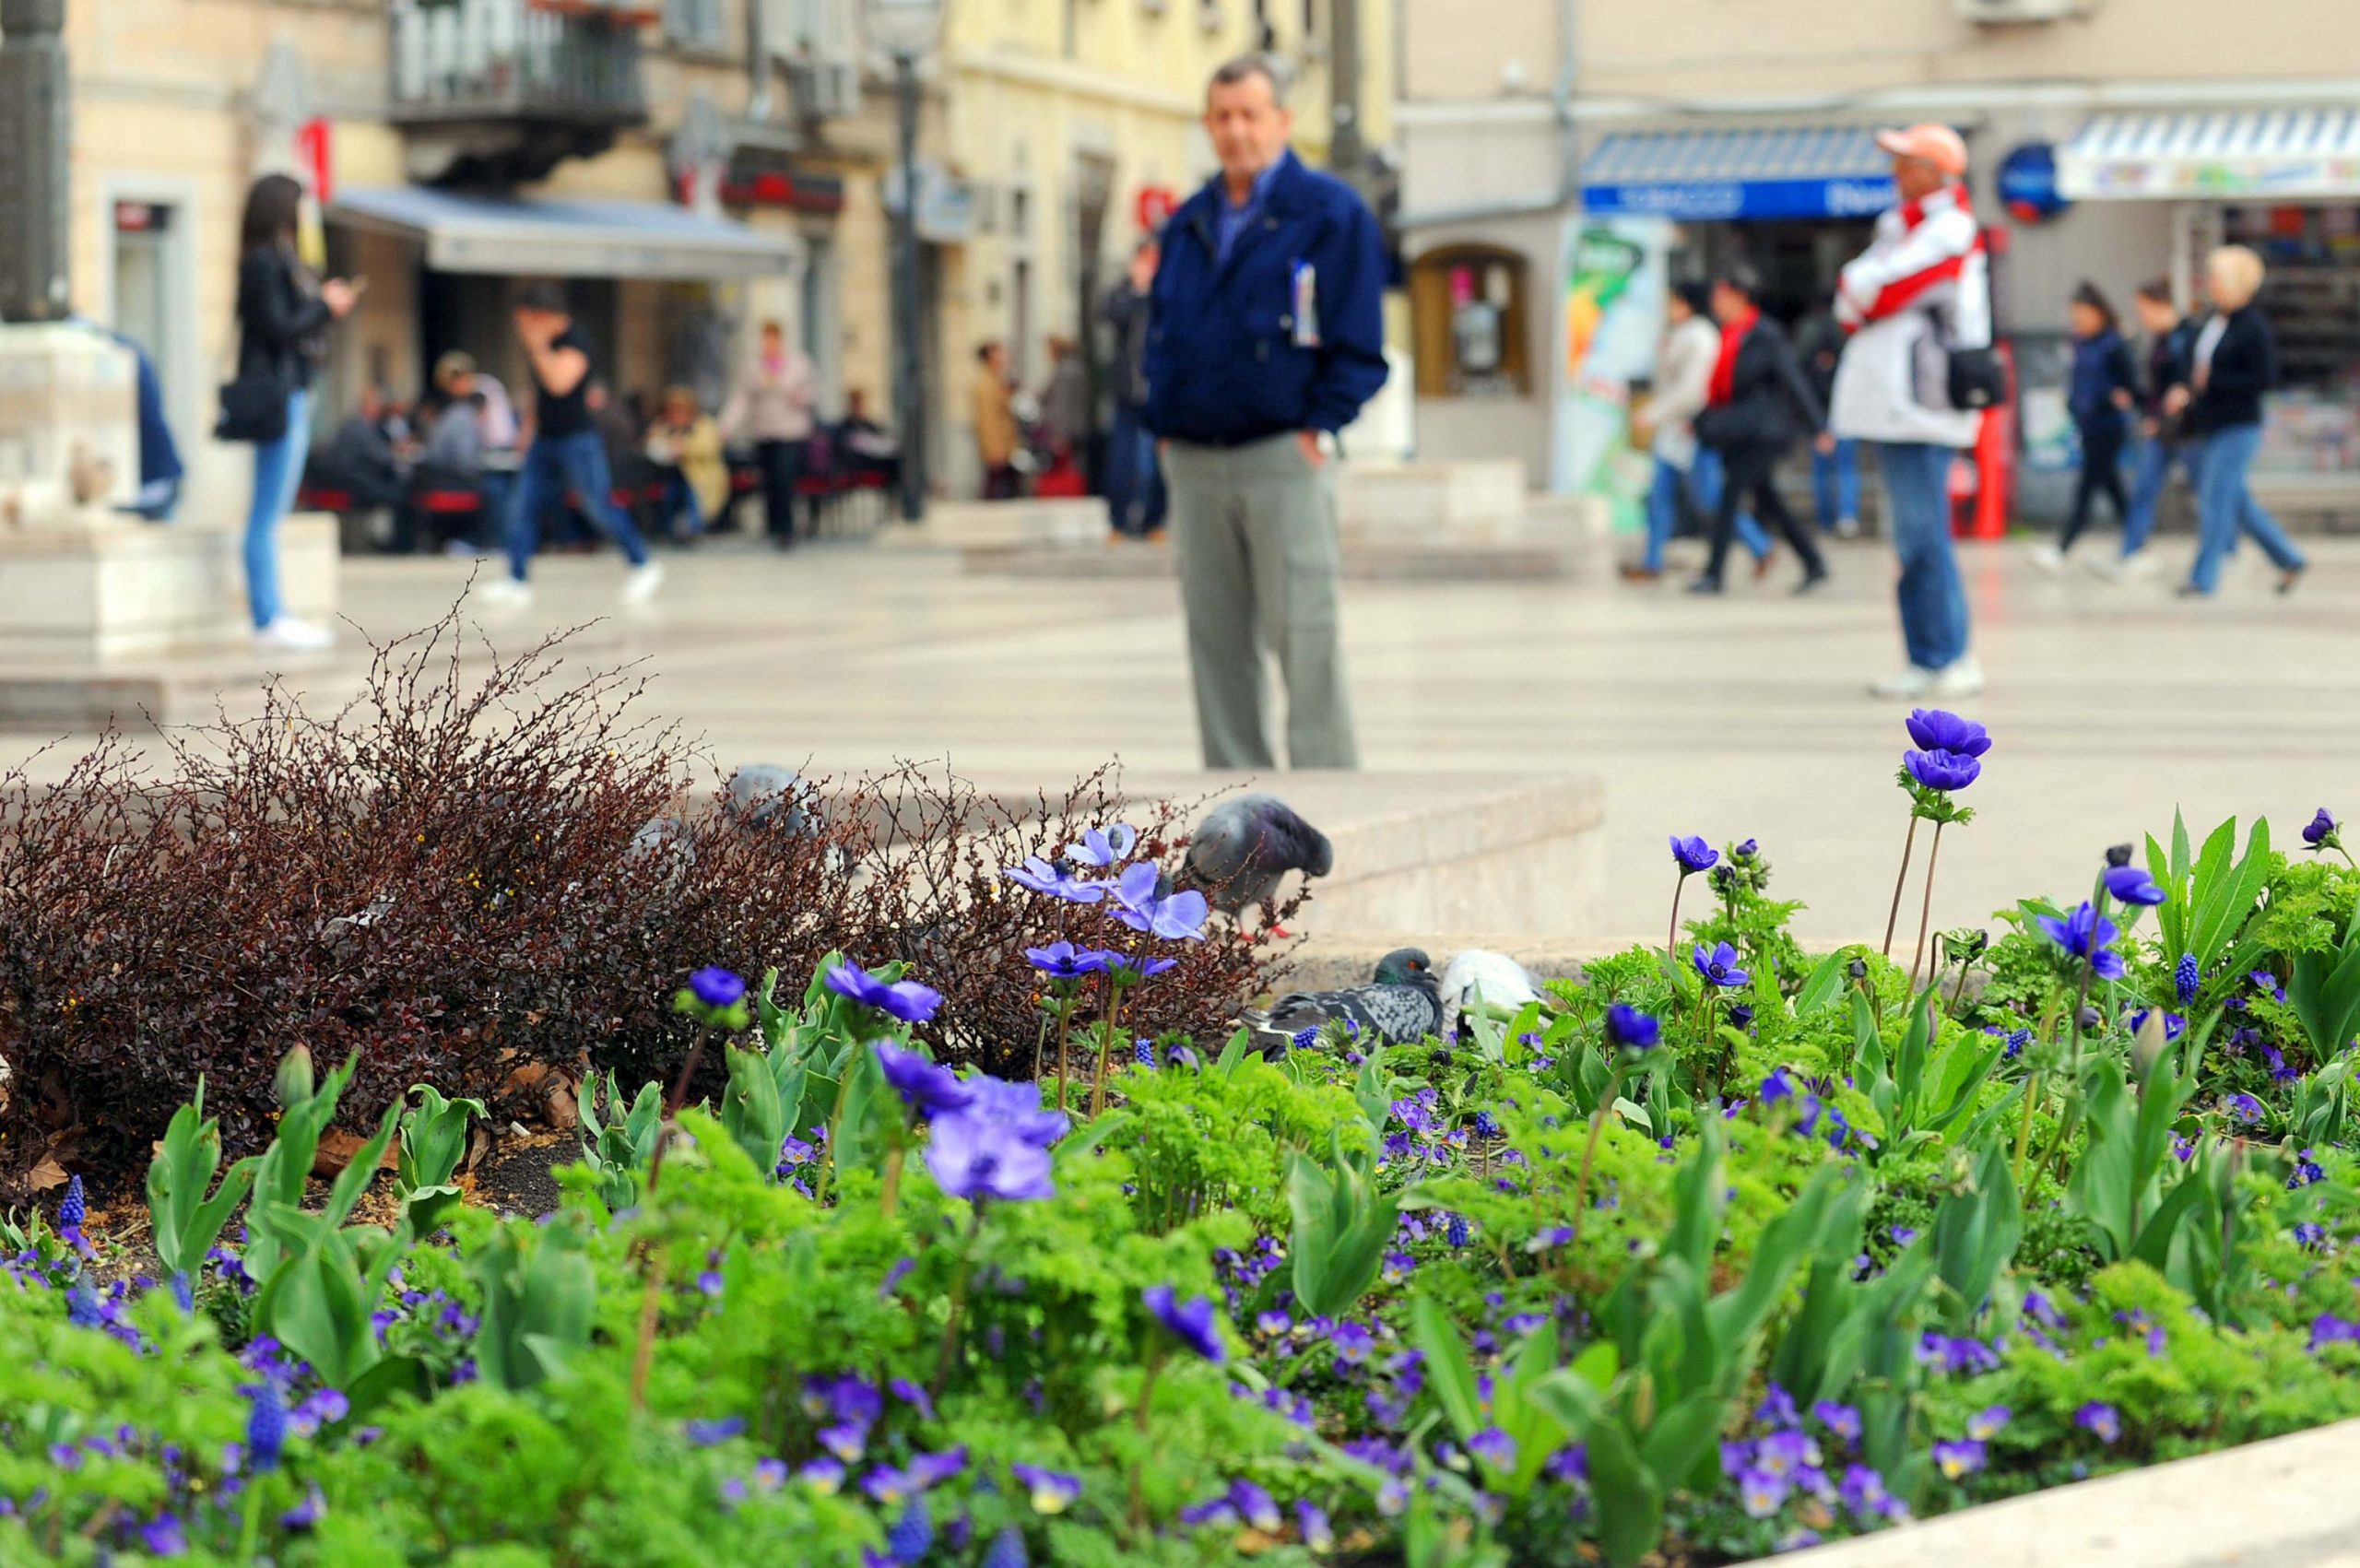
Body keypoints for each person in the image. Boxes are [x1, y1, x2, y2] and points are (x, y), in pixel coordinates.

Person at [1144, 53, 1389, 771]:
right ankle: (1236, 804)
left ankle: (1329, 792)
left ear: (1282, 121)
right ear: (1207, 124)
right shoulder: (1188, 221)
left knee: (1304, 630)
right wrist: (1162, 423)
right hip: (1193, 455)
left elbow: (1360, 341)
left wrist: (1320, 425)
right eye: (1222, 116)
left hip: (1284, 451)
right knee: (1214, 637)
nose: (1236, 130)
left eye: (1251, 114)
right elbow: (1161, 330)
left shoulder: (1331, 214)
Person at [1829, 124, 1992, 700]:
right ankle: (1925, 657)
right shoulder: (1900, 228)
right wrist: (1859, 286)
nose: (1896, 174)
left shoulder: (1950, 229)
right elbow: (1850, 300)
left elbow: (1877, 291)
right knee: (1911, 538)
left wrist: (1860, 285)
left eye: (1906, 163)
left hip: (1923, 402)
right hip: (1891, 405)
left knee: (1926, 535)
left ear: (1934, 171)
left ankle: (1951, 654)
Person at [478, 282, 662, 607]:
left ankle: (642, 563)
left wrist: (537, 348)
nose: (520, 329)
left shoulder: (577, 343)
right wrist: (527, 432)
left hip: (577, 440)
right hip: (545, 440)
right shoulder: (546, 345)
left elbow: (559, 384)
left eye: (524, 321)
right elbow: (541, 394)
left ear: (542, 316)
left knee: (598, 505)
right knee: (521, 507)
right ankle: (516, 579)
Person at [232, 171, 357, 650]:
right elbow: (279, 327)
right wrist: (325, 305)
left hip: (292, 390)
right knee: (267, 510)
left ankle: (273, 613)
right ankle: (268, 616)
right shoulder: (263, 263)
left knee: (273, 508)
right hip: (278, 395)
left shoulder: (278, 260)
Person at [2167, 244, 2307, 597]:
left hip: (2238, 424)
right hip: (2210, 423)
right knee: (2236, 500)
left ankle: (2203, 579)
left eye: (2215, 277)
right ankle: (2287, 556)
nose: (2210, 284)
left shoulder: (2253, 328)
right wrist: (2186, 387)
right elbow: (2192, 367)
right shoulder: (2214, 321)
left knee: (2214, 500)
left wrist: (2210, 381)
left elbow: (2264, 378)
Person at [1687, 267, 1831, 595]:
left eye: (1721, 296)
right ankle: (1813, 561)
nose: (1716, 303)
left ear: (1739, 296)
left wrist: (1817, 427)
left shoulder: (1765, 335)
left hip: (1762, 432)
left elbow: (1793, 381)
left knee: (1728, 498)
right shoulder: (1728, 335)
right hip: (1736, 431)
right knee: (1769, 501)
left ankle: (1714, 574)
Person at [1623, 279, 1771, 582]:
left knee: (1711, 497)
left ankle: (1759, 545)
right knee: (1659, 496)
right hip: (1672, 430)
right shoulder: (1680, 334)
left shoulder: (1701, 337)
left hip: (1694, 429)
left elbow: (1693, 389)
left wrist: (1653, 413)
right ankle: (1652, 561)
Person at [2094, 277, 2201, 581]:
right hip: (2162, 430)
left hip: (2189, 431)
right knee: (2143, 488)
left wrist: (2176, 400)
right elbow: (2154, 387)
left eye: (2144, 310)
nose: (2141, 317)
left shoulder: (2186, 336)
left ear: (2161, 306)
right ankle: (2131, 550)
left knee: (2212, 492)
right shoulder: (2161, 339)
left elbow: (2188, 381)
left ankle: (2230, 549)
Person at [2037, 281, 2138, 572]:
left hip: (2108, 426)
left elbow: (2128, 385)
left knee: (2087, 488)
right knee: (2112, 488)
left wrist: (2109, 399)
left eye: (2081, 313)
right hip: (2087, 424)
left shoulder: (2113, 343)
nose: (2077, 319)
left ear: (2098, 312)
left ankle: (2063, 548)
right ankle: (2136, 543)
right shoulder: (2081, 342)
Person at [719, 320, 817, 548]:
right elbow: (740, 399)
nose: (767, 344)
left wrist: (799, 397)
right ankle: (772, 527)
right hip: (764, 431)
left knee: (785, 480)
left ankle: (787, 530)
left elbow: (812, 392)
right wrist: (725, 426)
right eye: (764, 339)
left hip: (790, 431)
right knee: (769, 480)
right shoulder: (753, 366)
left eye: (771, 339)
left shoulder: (798, 363)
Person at [1100, 235, 1168, 538]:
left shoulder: (1169, 289)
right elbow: (1111, 318)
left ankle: (1154, 521)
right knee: (1122, 459)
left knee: (1159, 461)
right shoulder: (1122, 293)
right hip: (1127, 391)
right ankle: (1118, 521)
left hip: (1161, 391)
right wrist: (1139, 290)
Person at [1794, 309, 1861, 536]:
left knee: (1829, 471)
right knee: (1843, 470)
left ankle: (1829, 520)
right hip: (1840, 421)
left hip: (1828, 421)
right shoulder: (1847, 364)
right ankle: (1846, 517)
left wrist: (1819, 426)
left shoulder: (1812, 367)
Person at [645, 385, 727, 541]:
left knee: (693, 495)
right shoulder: (662, 426)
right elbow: (654, 447)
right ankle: (667, 530)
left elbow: (709, 447)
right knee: (667, 494)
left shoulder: (703, 425)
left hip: (699, 476)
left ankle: (693, 529)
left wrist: (685, 448)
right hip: (669, 475)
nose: (677, 414)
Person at [973, 341, 1021, 501]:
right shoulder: (985, 385)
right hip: (997, 444)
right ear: (990, 358)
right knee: (995, 485)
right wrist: (993, 449)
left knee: (1006, 483)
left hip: (1005, 442)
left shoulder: (998, 381)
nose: (1004, 357)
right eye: (1000, 353)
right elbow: (987, 421)